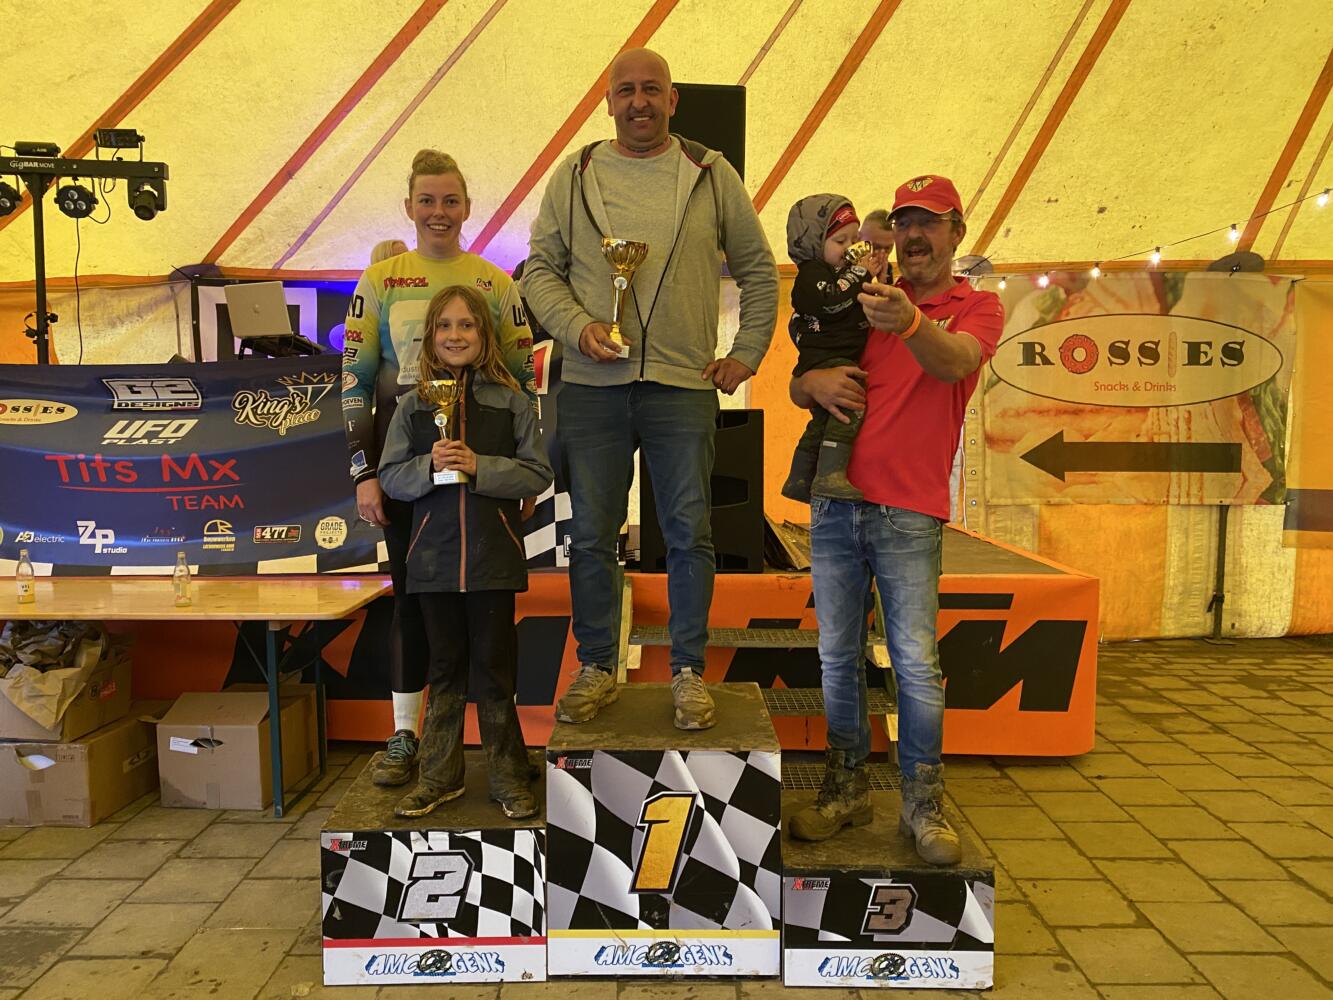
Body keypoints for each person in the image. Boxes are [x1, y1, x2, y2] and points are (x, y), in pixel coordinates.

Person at [522, 48, 778, 731]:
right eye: (626, 90)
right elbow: (538, 270)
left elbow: (758, 269)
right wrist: (577, 328)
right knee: (591, 537)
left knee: (690, 533)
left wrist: (746, 353)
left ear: (672, 99)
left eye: (651, 90)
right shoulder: (574, 174)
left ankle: (688, 672)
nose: (639, 102)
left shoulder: (710, 172)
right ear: (607, 101)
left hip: (682, 388)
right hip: (590, 389)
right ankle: (597, 667)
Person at [787, 175, 1004, 866]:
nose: (914, 235)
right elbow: (808, 369)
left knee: (913, 663)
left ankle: (922, 803)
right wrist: (808, 383)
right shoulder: (866, 291)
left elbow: (956, 362)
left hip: (909, 511)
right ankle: (845, 789)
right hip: (834, 505)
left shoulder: (975, 306)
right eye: (905, 221)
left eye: (929, 222)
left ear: (956, 233)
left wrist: (909, 322)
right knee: (836, 658)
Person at [342, 150, 534, 787]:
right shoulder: (379, 280)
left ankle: (498, 756)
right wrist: (364, 473)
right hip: (409, 463)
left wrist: (515, 473)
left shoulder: (496, 283)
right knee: (410, 603)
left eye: (450, 200)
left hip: (481, 472)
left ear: (468, 207)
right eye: (427, 200)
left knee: (483, 620)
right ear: (409, 206)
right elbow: (354, 383)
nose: (438, 212)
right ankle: (405, 737)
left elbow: (522, 380)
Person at [377, 285, 553, 818]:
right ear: (430, 335)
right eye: (445, 325)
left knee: (495, 669)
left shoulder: (512, 402)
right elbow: (390, 476)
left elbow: (537, 472)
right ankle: (439, 775)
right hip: (431, 561)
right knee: (444, 668)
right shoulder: (412, 405)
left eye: (467, 325)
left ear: (484, 334)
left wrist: (480, 467)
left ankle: (507, 774)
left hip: (492, 558)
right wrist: (427, 466)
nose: (455, 335)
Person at [781, 195, 887, 503]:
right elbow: (832, 302)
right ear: (813, 242)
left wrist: (874, 277)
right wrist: (859, 274)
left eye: (854, 240)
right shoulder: (811, 274)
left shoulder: (839, 273)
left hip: (833, 356)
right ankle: (830, 474)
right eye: (841, 241)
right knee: (849, 408)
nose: (850, 248)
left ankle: (800, 477)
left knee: (822, 420)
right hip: (828, 357)